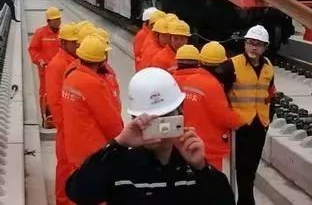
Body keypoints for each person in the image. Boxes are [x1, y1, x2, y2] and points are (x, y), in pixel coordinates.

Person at [66, 67, 235, 204]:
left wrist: (202, 169)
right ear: (135, 120)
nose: (159, 126)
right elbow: (79, 193)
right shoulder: (120, 162)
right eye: (150, 120)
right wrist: (117, 143)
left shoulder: (191, 166)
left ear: (180, 114)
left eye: (165, 117)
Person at [216, 25, 276, 205]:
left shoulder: (268, 66)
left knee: (251, 168)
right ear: (245, 43)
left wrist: (268, 118)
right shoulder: (231, 65)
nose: (253, 47)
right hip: (240, 126)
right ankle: (246, 201)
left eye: (258, 44)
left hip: (259, 125)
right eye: (250, 43)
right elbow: (218, 92)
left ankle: (245, 199)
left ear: (265, 47)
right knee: (242, 168)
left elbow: (270, 93)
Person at [175, 44, 243, 172]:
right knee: (211, 180)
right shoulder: (212, 85)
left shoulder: (191, 80)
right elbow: (223, 116)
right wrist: (239, 119)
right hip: (209, 147)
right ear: (220, 67)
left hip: (191, 141)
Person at [62, 35, 124, 169]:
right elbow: (109, 121)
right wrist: (122, 140)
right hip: (93, 150)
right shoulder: (93, 83)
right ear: (101, 60)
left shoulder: (71, 76)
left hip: (75, 146)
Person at [45, 23, 79, 205]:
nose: (77, 46)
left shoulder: (73, 62)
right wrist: (66, 127)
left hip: (73, 127)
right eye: (74, 43)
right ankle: (62, 200)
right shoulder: (57, 65)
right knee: (65, 166)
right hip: (67, 128)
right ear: (63, 43)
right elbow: (55, 101)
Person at [29, 6, 62, 128]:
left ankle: (58, 117)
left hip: (60, 71)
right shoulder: (40, 33)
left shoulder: (63, 33)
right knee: (45, 94)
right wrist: (40, 60)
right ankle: (46, 118)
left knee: (60, 94)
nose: (58, 22)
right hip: (46, 71)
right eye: (55, 19)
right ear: (48, 21)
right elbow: (33, 49)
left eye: (59, 19)